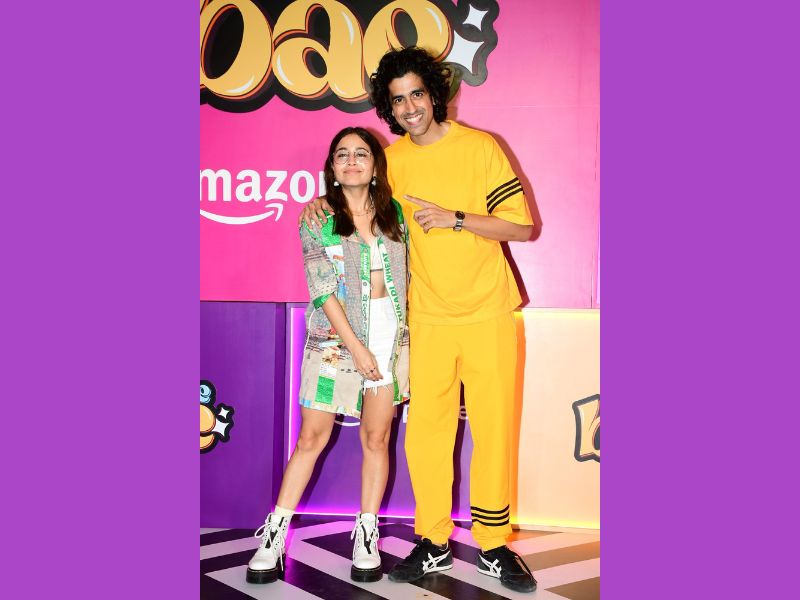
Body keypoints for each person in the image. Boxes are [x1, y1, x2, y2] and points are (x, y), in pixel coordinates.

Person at [301, 47, 537, 593]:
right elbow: (353, 199)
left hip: (488, 313)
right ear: (389, 107)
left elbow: (522, 228)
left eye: (417, 94)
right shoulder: (391, 162)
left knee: (494, 430)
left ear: (435, 94)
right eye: (398, 99)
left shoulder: (480, 147)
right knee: (426, 435)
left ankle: (494, 546)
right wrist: (318, 203)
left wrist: (457, 219)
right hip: (423, 321)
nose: (409, 107)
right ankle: (432, 540)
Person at [248, 127, 409, 585]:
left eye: (361, 153)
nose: (352, 160)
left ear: (375, 165)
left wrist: (382, 345)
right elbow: (321, 288)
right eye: (342, 154)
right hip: (334, 341)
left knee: (377, 439)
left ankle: (366, 535)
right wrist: (356, 347)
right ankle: (274, 535)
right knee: (310, 439)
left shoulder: (394, 213)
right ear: (332, 168)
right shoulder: (317, 218)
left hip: (390, 338)